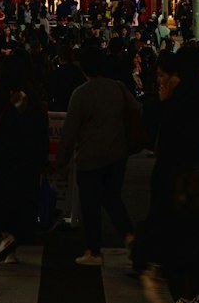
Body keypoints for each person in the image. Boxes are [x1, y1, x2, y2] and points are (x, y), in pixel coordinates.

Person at [140, 45, 199, 303]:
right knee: (197, 233)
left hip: (179, 173)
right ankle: (185, 291)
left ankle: (159, 269)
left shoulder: (183, 92)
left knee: (185, 231)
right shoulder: (195, 94)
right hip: (190, 176)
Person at [56, 44, 139, 267]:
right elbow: (136, 110)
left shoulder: (81, 94)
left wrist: (60, 160)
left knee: (90, 205)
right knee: (112, 197)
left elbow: (70, 131)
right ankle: (129, 234)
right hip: (117, 153)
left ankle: (94, 250)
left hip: (89, 157)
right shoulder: (118, 87)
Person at [0, 50, 49, 263]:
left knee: (1, 197)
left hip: (3, 154)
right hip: (28, 157)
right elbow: (41, 129)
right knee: (23, 198)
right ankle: (13, 240)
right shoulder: (33, 97)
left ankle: (7, 237)